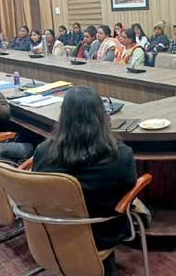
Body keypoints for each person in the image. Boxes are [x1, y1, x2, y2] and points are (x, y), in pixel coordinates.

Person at [32, 86, 136, 275]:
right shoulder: (120, 155)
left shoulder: (42, 152)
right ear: (102, 116)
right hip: (101, 234)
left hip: (52, 229)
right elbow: (128, 186)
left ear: (63, 117)